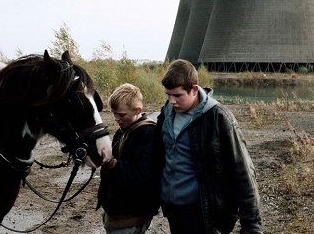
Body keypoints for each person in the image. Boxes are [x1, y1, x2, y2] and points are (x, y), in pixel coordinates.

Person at [157, 59, 263, 234]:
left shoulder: (218, 117)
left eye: (177, 96)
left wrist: (251, 226)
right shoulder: (167, 113)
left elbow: (243, 171)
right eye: (168, 95)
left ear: (194, 89)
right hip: (175, 211)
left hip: (205, 214)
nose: (172, 101)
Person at [97, 83, 162, 234]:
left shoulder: (148, 134)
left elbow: (143, 178)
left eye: (121, 114)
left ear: (138, 110)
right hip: (118, 212)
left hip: (132, 215)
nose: (116, 119)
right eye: (114, 114)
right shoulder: (123, 131)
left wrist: (112, 164)